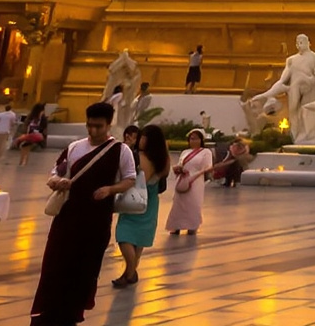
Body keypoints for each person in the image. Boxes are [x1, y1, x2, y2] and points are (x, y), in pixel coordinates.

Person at [29, 100, 136, 326]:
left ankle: (71, 313)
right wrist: (58, 182)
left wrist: (110, 189)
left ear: (108, 125)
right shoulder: (75, 147)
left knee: (85, 268)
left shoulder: (120, 150)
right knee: (56, 263)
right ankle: (49, 311)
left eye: (98, 126)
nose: (93, 131)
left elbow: (130, 179)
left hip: (96, 219)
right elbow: (55, 172)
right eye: (90, 126)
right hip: (68, 216)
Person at [112, 125, 167, 287]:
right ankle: (130, 273)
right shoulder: (163, 160)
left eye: (142, 137)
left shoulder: (140, 157)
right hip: (151, 202)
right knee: (138, 242)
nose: (140, 140)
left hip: (134, 200)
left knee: (124, 236)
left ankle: (129, 272)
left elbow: (133, 177)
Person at [166, 129, 212, 237]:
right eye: (191, 139)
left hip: (195, 181)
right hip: (183, 179)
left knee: (193, 204)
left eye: (196, 138)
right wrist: (178, 169)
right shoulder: (185, 152)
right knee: (178, 204)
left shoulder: (205, 152)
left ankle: (192, 226)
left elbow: (208, 167)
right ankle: (176, 226)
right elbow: (179, 164)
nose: (193, 141)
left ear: (201, 140)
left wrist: (196, 174)